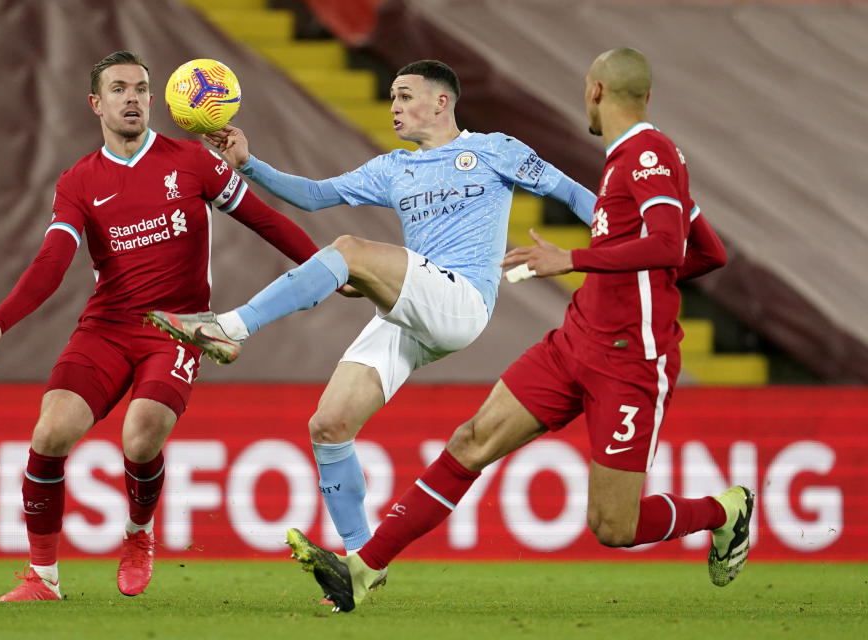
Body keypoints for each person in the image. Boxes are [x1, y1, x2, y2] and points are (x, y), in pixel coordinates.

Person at [284, 47, 750, 613]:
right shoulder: (630, 160)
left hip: (631, 359)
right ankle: (363, 568)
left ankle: (726, 511)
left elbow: (667, 244)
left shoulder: (647, 155)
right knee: (470, 442)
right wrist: (642, 282)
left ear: (596, 91)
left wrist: (576, 263)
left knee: (613, 525)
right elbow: (709, 252)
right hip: (575, 340)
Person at [147, 60, 598, 560]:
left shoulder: (494, 150)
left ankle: (229, 327)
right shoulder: (393, 168)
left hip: (463, 301)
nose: (395, 107)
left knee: (352, 250)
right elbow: (315, 196)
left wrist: (612, 247)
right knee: (329, 425)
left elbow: (575, 195)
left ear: (441, 102)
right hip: (411, 314)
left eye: (405, 96)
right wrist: (249, 163)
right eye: (391, 98)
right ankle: (360, 563)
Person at [0, 51, 320, 602]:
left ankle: (137, 533)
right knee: (50, 432)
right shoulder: (79, 181)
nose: (132, 97)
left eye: (141, 89)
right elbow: (52, 262)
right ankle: (43, 579)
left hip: (177, 328)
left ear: (155, 99)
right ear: (96, 103)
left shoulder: (194, 162)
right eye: (118, 89)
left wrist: (326, 269)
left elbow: (264, 219)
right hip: (106, 327)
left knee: (140, 433)